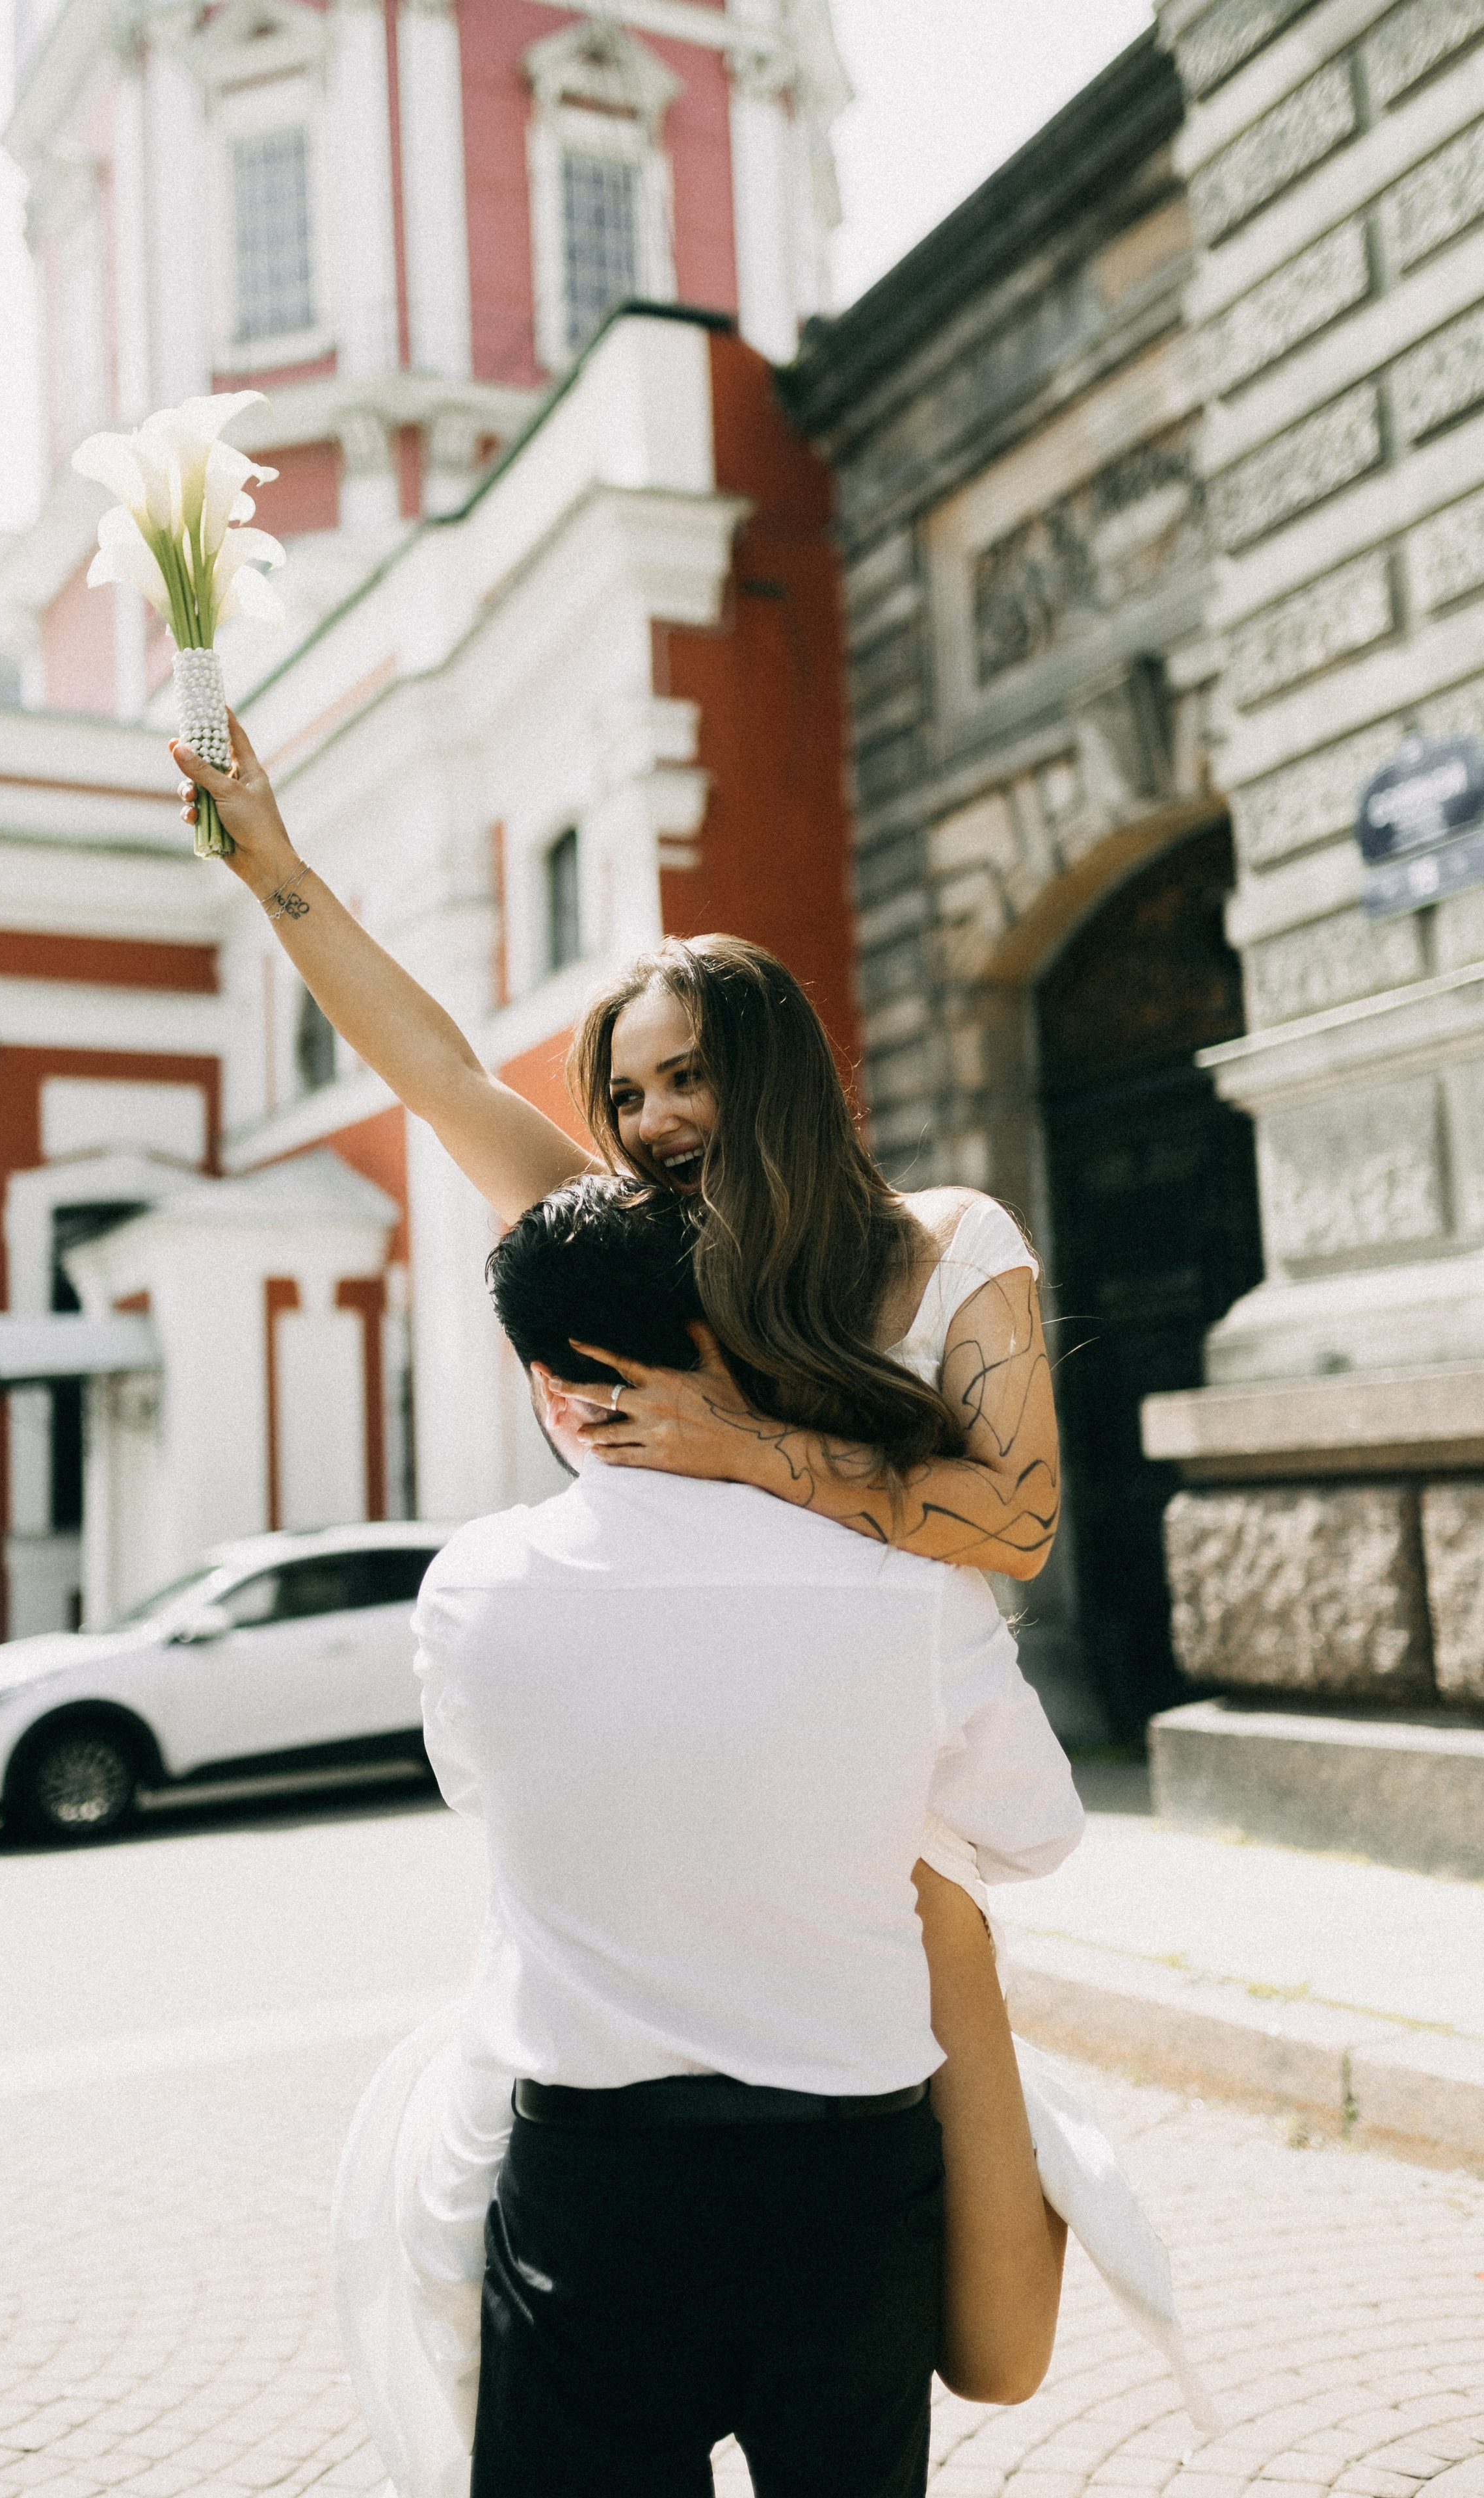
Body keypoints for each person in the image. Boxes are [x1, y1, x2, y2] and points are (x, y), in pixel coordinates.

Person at [170, 717, 1067, 2397]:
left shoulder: (948, 1244)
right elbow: (437, 1074)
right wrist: (275, 867)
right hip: (691, 1763)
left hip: (897, 1763)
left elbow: (1013, 1515)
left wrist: (752, 1449)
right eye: (630, 1090)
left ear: (775, 1068)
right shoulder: (644, 1257)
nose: (652, 1120)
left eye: (686, 1077)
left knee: (993, 2341)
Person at [403, 1175, 1087, 2495]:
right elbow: (1035, 1833)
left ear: (551, 1389)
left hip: (589, 2180)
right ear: (731, 1340)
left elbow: (480, 1791)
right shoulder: (901, 1574)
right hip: (845, 2172)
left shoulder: (470, 1585)